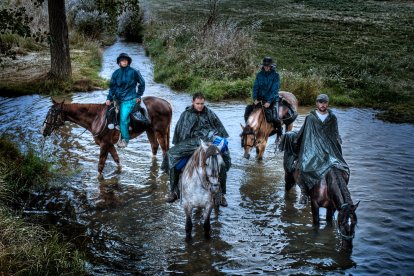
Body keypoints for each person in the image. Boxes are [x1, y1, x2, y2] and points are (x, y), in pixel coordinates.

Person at [165, 93, 231, 206]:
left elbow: (219, 129)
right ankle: (174, 191)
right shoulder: (186, 114)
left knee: (223, 163)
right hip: (191, 142)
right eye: (198, 104)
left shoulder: (210, 113)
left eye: (202, 103)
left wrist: (216, 141)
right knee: (171, 154)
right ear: (193, 102)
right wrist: (180, 144)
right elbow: (180, 131)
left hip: (208, 141)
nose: (200, 106)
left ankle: (221, 194)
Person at [294, 93, 349, 203]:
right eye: (320, 102)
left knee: (342, 168)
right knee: (303, 166)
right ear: (316, 103)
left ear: (327, 103)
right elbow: (304, 133)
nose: (322, 104)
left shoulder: (333, 118)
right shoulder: (310, 118)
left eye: (324, 102)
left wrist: (337, 146)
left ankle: (340, 193)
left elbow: (335, 134)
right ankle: (304, 193)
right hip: (313, 147)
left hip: (329, 149)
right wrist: (296, 143)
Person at [105, 53, 145, 148]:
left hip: (129, 99)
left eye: (126, 60)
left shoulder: (134, 72)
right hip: (117, 98)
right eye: (122, 60)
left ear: (128, 62)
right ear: (119, 62)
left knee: (123, 118)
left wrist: (138, 95)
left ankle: (125, 139)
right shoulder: (115, 73)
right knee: (108, 113)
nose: (124, 62)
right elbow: (112, 87)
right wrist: (109, 98)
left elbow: (142, 83)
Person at [244, 57, 280, 132]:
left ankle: (279, 132)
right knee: (247, 110)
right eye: (265, 65)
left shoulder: (276, 75)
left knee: (275, 118)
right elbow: (255, 87)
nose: (266, 67)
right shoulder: (259, 75)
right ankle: (248, 130)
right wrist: (255, 99)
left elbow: (274, 90)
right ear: (263, 66)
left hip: (271, 99)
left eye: (268, 65)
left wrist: (269, 102)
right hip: (260, 99)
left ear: (271, 66)